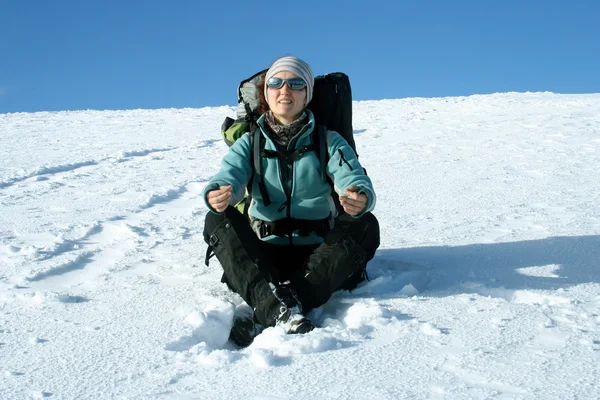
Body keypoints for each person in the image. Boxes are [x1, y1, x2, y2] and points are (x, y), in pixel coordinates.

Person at [202, 56, 380, 343]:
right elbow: (229, 175)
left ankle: (269, 305)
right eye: (276, 83)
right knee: (217, 219)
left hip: (318, 254)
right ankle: (280, 306)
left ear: (307, 94)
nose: (285, 90)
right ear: (267, 93)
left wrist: (358, 196)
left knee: (366, 223)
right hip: (264, 250)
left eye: (296, 84)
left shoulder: (329, 140)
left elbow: (352, 176)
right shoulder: (251, 141)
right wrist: (220, 192)